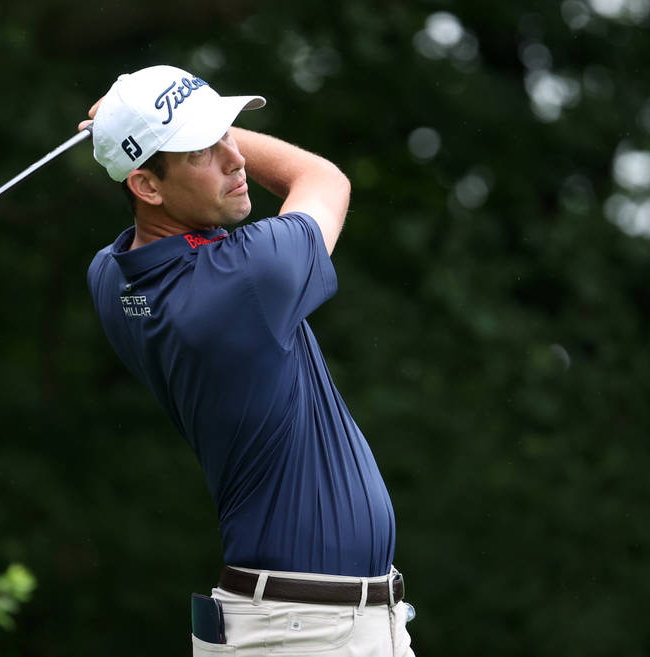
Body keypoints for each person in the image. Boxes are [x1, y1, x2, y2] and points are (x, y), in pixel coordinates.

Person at [82, 64, 415, 656]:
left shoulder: (113, 279)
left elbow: (147, 235)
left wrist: (140, 124)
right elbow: (323, 177)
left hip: (305, 622)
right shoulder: (249, 277)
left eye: (228, 132)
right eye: (201, 151)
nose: (234, 157)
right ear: (147, 186)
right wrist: (129, 119)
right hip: (306, 631)